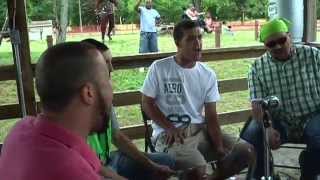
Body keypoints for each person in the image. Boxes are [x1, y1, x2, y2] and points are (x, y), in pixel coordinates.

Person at [141, 20, 255, 180]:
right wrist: (169, 127)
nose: (198, 43)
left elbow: (211, 116)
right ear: (177, 43)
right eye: (190, 39)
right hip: (171, 136)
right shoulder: (159, 68)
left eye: (200, 37)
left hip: (201, 130)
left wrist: (219, 147)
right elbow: (147, 103)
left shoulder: (207, 74)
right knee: (197, 169)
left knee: (247, 151)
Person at [0, 42, 113, 179]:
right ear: (88, 93)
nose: (112, 89)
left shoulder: (20, 129)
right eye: (107, 80)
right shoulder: (72, 171)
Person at [81, 38, 175, 180]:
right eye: (105, 62)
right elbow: (93, 167)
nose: (111, 68)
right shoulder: (77, 108)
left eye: (111, 62)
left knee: (165, 160)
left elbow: (117, 136)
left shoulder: (103, 96)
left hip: (110, 160)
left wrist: (151, 165)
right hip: (96, 169)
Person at [240, 18, 320, 179]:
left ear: (289, 36)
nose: (277, 46)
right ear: (265, 45)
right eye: (271, 44)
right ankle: (262, 174)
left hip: (313, 115)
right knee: (254, 133)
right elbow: (257, 105)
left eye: (282, 40)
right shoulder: (257, 68)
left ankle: (309, 169)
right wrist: (267, 128)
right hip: (279, 120)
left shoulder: (313, 56)